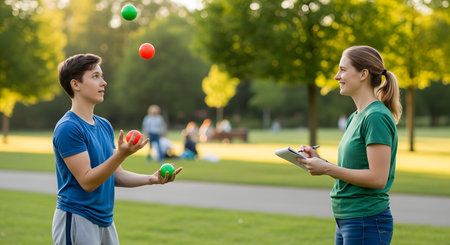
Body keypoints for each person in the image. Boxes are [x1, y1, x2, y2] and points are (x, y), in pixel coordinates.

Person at [52, 54, 182, 245]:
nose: (104, 83)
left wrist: (151, 179)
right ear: (75, 84)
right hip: (78, 218)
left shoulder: (103, 125)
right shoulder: (68, 128)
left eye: (102, 76)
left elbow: (115, 174)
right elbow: (88, 181)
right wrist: (121, 154)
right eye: (95, 76)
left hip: (105, 221)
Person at [297, 46, 401, 245]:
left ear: (363, 74)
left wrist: (327, 168)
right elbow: (355, 169)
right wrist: (320, 162)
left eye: (343, 70)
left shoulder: (375, 117)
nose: (337, 76)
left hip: (366, 220)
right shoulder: (355, 117)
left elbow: (378, 178)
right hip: (348, 218)